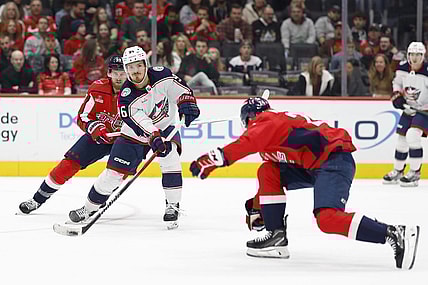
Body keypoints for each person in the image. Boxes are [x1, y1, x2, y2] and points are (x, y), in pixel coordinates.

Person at [189, 96, 420, 270]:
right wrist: (258, 207)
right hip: (315, 165)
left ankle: (394, 233)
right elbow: (273, 173)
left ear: (249, 119)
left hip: (333, 161)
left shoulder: (266, 121)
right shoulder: (273, 124)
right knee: (268, 169)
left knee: (327, 219)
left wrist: (213, 159)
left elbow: (247, 143)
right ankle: (276, 236)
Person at [67, 46, 200, 229]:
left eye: (138, 66)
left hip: (166, 127)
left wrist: (187, 102)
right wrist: (154, 136)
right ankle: (88, 208)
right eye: (130, 67)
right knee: (112, 175)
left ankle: (173, 206)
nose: (134, 71)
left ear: (145, 64)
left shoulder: (163, 75)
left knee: (171, 159)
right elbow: (140, 122)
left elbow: (182, 90)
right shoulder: (126, 97)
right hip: (134, 134)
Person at [18, 56, 127, 214]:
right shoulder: (97, 88)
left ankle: (99, 199)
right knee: (68, 165)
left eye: (122, 73)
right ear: (109, 73)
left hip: (125, 140)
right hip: (98, 137)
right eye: (115, 72)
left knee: (117, 173)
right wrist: (95, 128)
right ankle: (36, 200)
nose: (119, 76)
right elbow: (83, 116)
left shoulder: (137, 93)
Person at [383, 42, 428, 187]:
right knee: (401, 140)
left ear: (423, 56)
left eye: (418, 55)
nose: (414, 58)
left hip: (424, 111)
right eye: (412, 54)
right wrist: (397, 96)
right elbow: (397, 84)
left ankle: (415, 172)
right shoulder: (402, 68)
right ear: (408, 55)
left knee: (412, 135)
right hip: (408, 109)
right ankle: (398, 170)